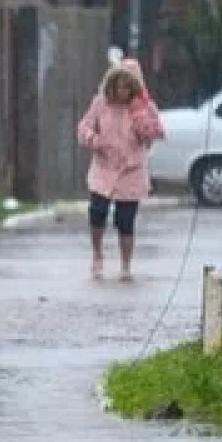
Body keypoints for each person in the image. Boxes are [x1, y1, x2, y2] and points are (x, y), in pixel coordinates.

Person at [76, 59, 164, 279]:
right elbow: (84, 127)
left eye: (128, 86)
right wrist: (94, 139)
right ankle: (97, 254)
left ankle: (126, 265)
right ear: (112, 84)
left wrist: (141, 116)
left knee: (125, 219)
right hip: (104, 166)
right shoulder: (100, 103)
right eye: (119, 85)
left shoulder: (143, 107)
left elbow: (154, 135)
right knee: (97, 212)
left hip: (131, 170)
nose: (123, 91)